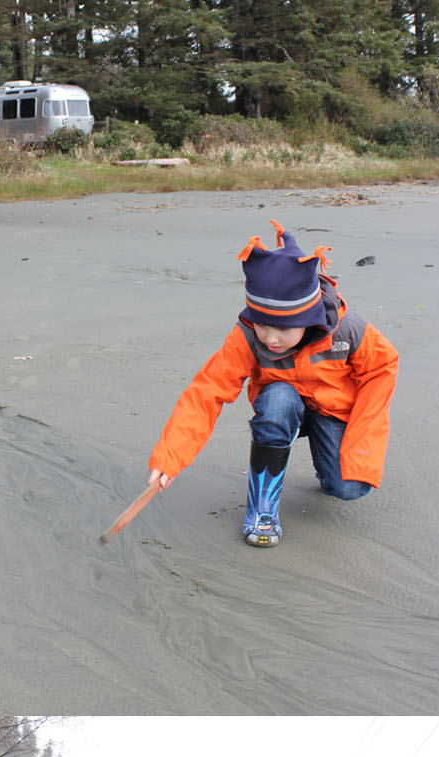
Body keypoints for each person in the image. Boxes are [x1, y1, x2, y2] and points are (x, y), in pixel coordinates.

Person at [148, 222, 399, 546]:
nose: (270, 338)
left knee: (348, 488)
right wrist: (170, 458)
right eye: (263, 325)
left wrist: (360, 445)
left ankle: (327, 464)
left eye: (283, 329)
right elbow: (206, 393)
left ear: (307, 319)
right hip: (280, 405)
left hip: (332, 409)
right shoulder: (248, 336)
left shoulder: (347, 331)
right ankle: (261, 509)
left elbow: (382, 369)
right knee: (279, 401)